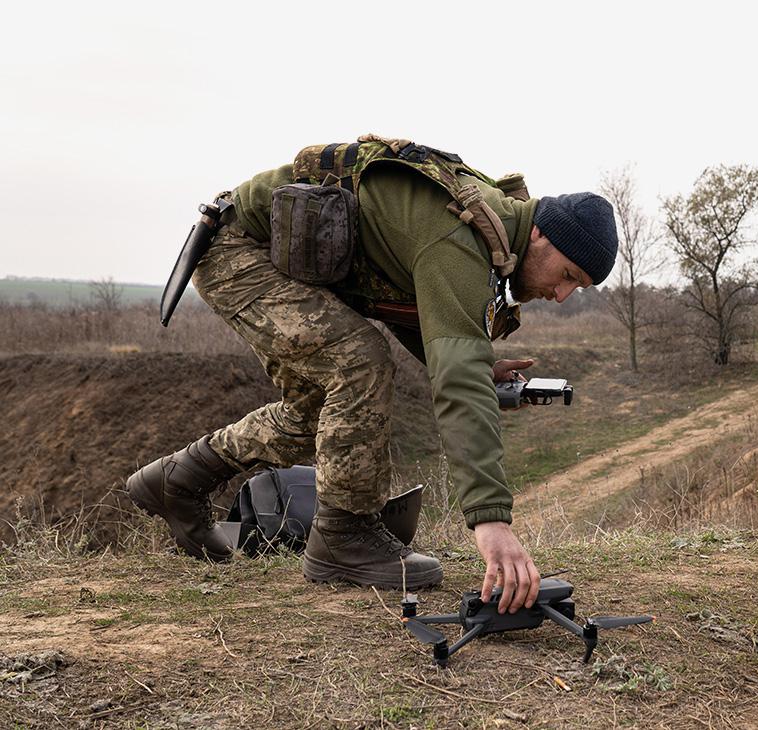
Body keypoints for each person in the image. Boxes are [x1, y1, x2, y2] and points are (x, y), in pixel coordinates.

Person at [127, 137, 618, 616]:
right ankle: (343, 534)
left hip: (283, 260)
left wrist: (483, 367)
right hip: (239, 250)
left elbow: (432, 326)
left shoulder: (488, 235)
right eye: (570, 275)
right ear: (540, 235)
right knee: (359, 361)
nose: (562, 295)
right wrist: (491, 522)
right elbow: (458, 385)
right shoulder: (461, 239)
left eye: (580, 287)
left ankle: (176, 480)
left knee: (322, 413)